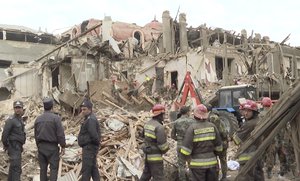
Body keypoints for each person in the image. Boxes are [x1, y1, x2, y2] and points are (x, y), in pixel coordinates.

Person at [180, 104, 223, 181]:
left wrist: (188, 161)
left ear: (195, 116)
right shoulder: (212, 127)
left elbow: (185, 151)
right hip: (212, 163)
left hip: (197, 166)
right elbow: (219, 148)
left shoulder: (192, 128)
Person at [34, 98, 66, 181]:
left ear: (44, 107)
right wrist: (63, 146)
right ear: (52, 107)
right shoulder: (56, 118)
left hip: (41, 147)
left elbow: (36, 135)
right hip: (52, 148)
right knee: (53, 169)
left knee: (43, 170)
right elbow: (60, 134)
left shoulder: (38, 119)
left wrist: (39, 146)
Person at [233, 100, 264, 181]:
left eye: (249, 111)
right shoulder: (259, 120)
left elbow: (236, 140)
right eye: (244, 111)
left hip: (247, 157)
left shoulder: (249, 124)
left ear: (254, 112)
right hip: (258, 156)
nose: (245, 113)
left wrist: (234, 134)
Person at [140, 104, 169, 181]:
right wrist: (167, 148)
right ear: (159, 115)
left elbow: (142, 136)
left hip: (147, 156)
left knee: (145, 176)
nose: (164, 116)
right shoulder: (159, 127)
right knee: (159, 178)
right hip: (155, 158)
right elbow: (163, 146)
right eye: (163, 114)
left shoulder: (147, 124)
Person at [1, 101, 26, 181]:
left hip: (18, 147)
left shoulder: (20, 119)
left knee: (13, 168)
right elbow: (4, 135)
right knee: (16, 169)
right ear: (14, 109)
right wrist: (8, 146)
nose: (18, 109)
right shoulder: (11, 120)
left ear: (22, 108)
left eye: (19, 108)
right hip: (13, 147)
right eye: (16, 108)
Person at [78, 99, 101, 181]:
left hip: (89, 149)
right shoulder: (88, 118)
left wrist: (93, 145)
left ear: (90, 109)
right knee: (93, 170)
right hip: (90, 148)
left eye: (84, 109)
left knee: (86, 171)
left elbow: (94, 135)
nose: (82, 111)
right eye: (82, 109)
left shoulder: (90, 120)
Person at [171, 106, 195, 181]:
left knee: (181, 165)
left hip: (180, 145)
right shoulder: (192, 121)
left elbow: (172, 135)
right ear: (187, 112)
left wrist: (179, 139)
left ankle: (182, 179)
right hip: (189, 145)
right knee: (191, 164)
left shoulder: (176, 122)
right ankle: (192, 179)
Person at [209, 110, 229, 181]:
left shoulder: (209, 122)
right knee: (223, 160)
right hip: (223, 144)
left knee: (215, 161)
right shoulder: (221, 122)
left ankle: (216, 177)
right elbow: (224, 133)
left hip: (213, 145)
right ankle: (224, 177)